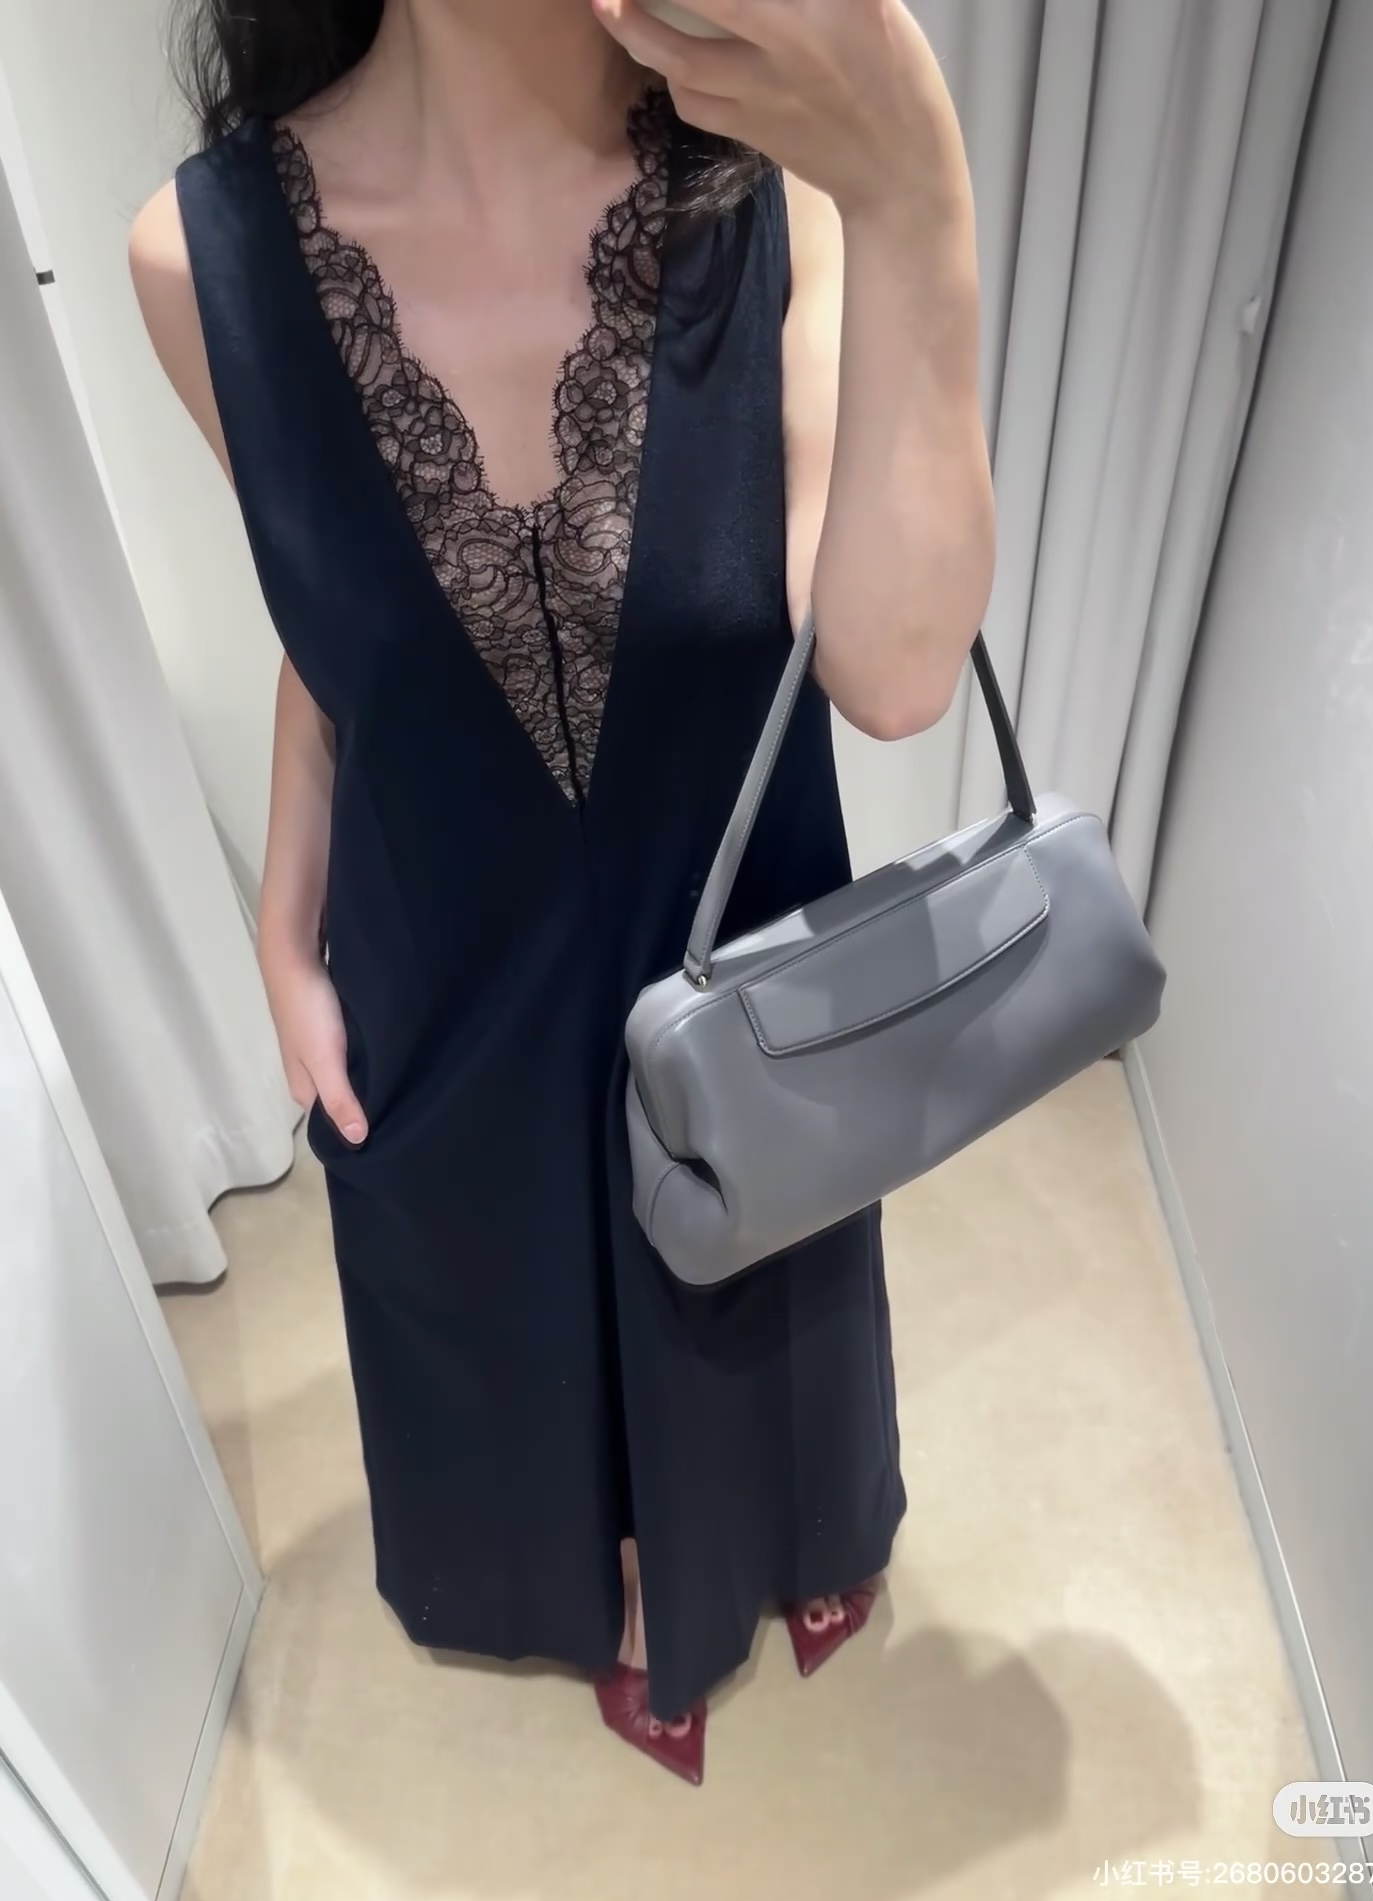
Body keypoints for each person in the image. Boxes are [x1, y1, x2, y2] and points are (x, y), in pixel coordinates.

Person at [130, 0, 993, 1785]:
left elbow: (899, 673)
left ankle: (782, 1529)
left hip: (741, 969)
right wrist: (282, 930)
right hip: (447, 973)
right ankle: (611, 1567)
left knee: (763, 1273)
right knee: (500, 1295)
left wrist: (915, 190)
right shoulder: (197, 258)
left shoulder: (779, 191)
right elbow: (342, 618)